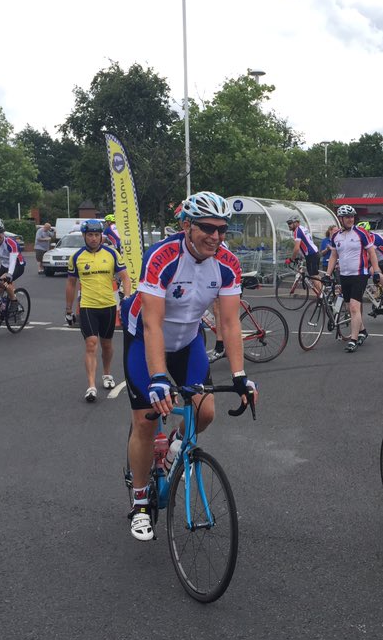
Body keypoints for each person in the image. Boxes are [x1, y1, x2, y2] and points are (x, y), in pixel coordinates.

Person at [121, 191, 256, 541]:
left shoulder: (227, 263)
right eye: (207, 228)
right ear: (186, 225)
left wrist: (241, 377)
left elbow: (229, 323)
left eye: (222, 229)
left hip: (188, 341)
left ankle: (176, 448)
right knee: (146, 420)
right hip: (145, 341)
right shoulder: (162, 257)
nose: (216, 236)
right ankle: (139, 503)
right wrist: (157, 377)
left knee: (205, 412)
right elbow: (152, 323)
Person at [66, 218, 131, 402]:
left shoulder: (111, 254)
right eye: (90, 235)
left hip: (108, 306)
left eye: (96, 235)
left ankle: (107, 373)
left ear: (101, 236)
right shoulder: (77, 257)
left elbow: (125, 278)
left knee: (107, 345)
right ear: (84, 236)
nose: (94, 239)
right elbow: (71, 284)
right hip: (87, 306)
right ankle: (91, 386)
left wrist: (126, 298)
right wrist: (68, 309)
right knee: (91, 343)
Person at [325, 205, 383, 352]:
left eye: (352, 216)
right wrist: (327, 274)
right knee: (348, 307)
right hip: (344, 275)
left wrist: (376, 271)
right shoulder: (335, 236)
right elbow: (333, 256)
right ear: (340, 219)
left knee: (354, 307)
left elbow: (371, 252)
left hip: (359, 274)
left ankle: (353, 339)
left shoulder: (361, 233)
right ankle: (363, 331)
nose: (350, 219)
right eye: (347, 217)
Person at [286, 214, 323, 297]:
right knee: (315, 275)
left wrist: (292, 259)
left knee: (314, 277)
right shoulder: (303, 228)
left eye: (290, 223)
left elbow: (296, 248)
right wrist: (301, 256)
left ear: (296, 223)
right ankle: (322, 294)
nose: (289, 225)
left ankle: (322, 297)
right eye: (288, 223)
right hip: (314, 252)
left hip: (311, 254)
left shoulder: (297, 231)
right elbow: (304, 244)